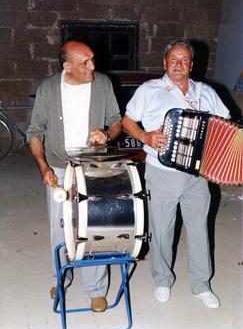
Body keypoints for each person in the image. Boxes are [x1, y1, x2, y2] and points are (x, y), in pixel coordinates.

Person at [122, 39, 229, 309]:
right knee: (161, 229)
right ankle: (162, 280)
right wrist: (145, 136)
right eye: (173, 59)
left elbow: (225, 125)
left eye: (184, 60)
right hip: (162, 172)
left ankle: (201, 284)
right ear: (164, 63)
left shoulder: (205, 92)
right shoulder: (150, 90)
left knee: (199, 229)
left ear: (192, 65)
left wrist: (216, 158)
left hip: (197, 174)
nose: (178, 65)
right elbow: (127, 121)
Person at [26, 41, 122, 313]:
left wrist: (106, 135)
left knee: (96, 228)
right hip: (59, 168)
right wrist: (43, 166)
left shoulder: (102, 84)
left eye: (93, 60)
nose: (93, 66)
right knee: (61, 227)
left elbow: (116, 121)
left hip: (94, 166)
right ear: (66, 66)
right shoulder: (48, 88)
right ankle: (61, 277)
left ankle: (96, 290)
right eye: (85, 63)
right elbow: (34, 131)